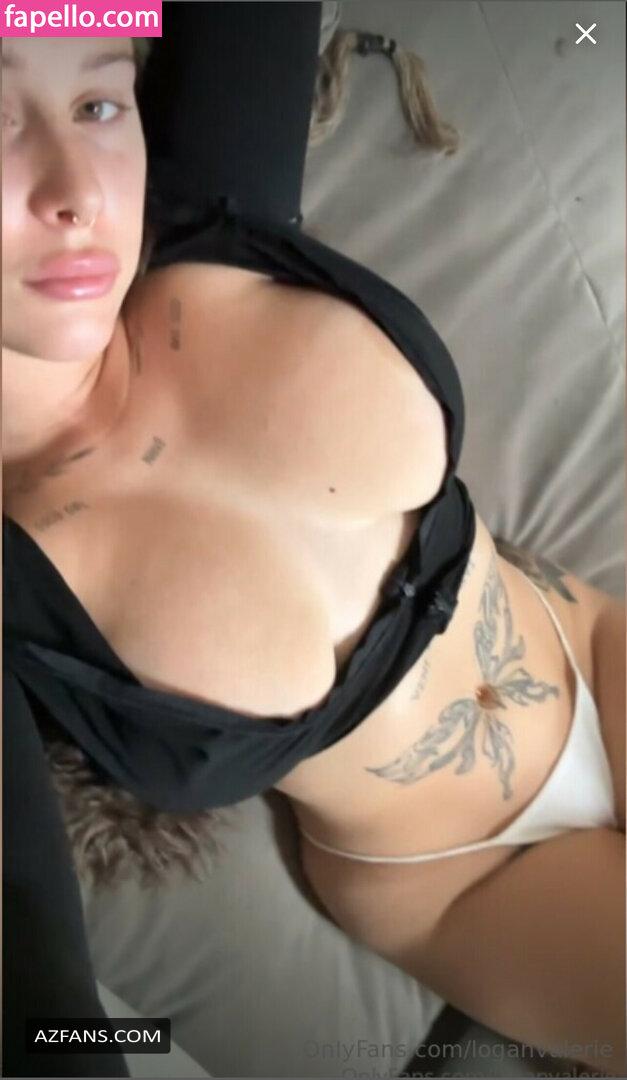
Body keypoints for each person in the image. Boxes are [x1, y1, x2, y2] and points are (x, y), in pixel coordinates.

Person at [2, 4, 625, 1077]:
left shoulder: (211, 214)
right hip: (462, 873)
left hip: (595, 650)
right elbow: (40, 1002)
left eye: (98, 103)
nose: (79, 191)